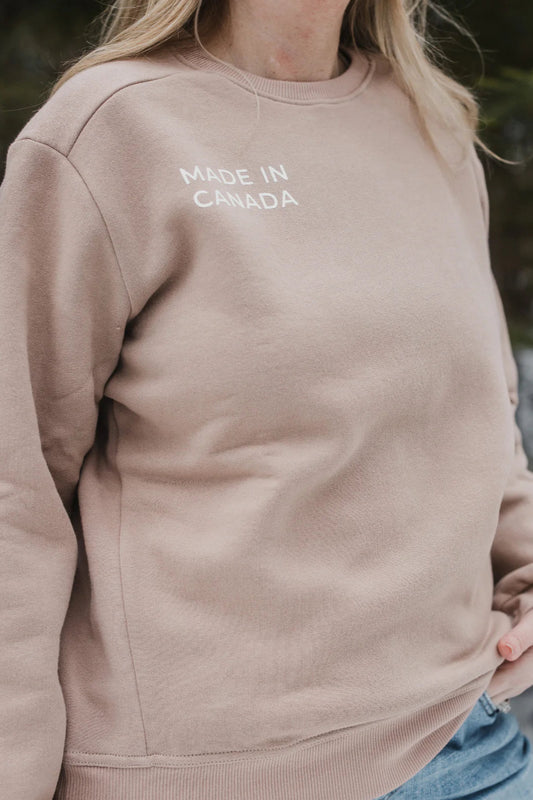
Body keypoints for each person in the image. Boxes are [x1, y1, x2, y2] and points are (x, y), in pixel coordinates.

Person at [1, 1, 533, 798]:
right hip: (205, 775)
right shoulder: (109, 131)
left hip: (466, 742)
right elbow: (18, 491)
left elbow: (478, 409)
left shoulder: (430, 124)